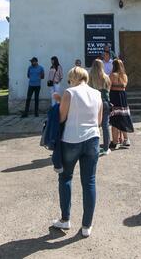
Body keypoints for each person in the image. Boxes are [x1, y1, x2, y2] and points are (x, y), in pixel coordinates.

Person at [51, 66, 103, 238]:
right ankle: (87, 225)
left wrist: (59, 102)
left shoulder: (69, 93)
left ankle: (65, 219)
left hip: (72, 139)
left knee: (65, 177)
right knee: (89, 182)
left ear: (73, 78)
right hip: (93, 139)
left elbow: (61, 117)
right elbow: (99, 120)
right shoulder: (97, 94)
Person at [108, 59, 134, 149]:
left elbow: (109, 87)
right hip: (122, 98)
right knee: (123, 118)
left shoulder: (112, 75)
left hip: (114, 97)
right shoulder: (125, 76)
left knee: (114, 120)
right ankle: (126, 140)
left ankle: (114, 141)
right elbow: (124, 87)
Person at [89, 59, 112, 155]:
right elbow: (108, 90)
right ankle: (106, 148)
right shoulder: (106, 77)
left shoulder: (90, 77)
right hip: (105, 102)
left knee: (94, 125)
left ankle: (94, 147)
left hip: (94, 102)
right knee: (105, 125)